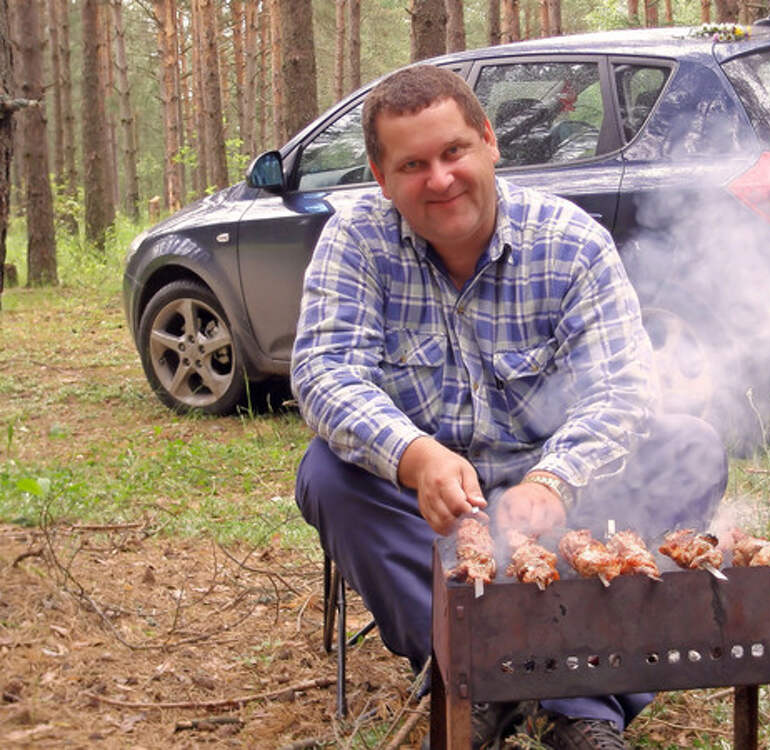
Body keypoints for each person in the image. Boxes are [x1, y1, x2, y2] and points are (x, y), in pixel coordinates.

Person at [293, 64, 728, 750]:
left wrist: (556, 479)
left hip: (557, 485)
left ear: (490, 142)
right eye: (413, 165)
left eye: (454, 151)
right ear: (381, 178)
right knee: (328, 474)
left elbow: (622, 386)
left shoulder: (570, 240)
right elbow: (324, 372)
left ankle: (582, 700)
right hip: (430, 500)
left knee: (691, 447)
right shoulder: (357, 243)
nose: (440, 179)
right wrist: (415, 456)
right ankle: (476, 674)